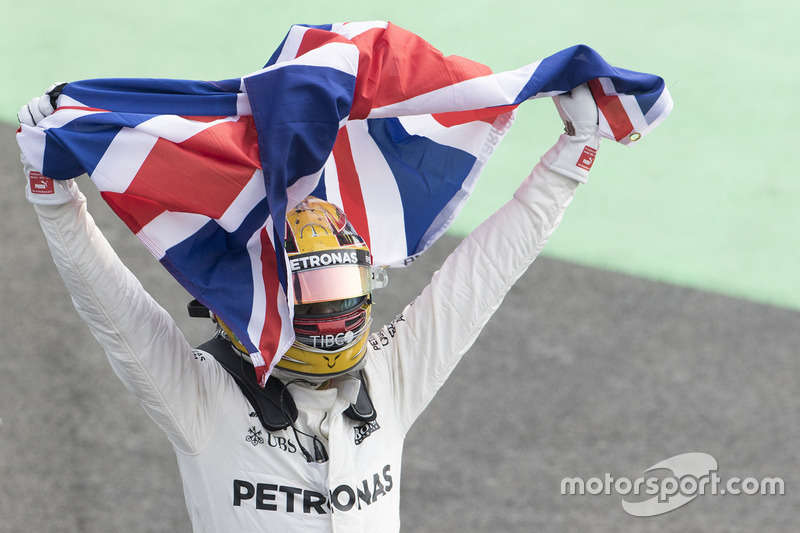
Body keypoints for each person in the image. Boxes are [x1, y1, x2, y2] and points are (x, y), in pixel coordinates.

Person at [18, 82, 601, 532]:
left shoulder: (388, 376)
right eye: (314, 298)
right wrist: (53, 199)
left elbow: (483, 274)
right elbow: (113, 311)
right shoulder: (201, 397)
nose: (332, 322)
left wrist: (575, 154)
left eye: (340, 290)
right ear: (256, 301)